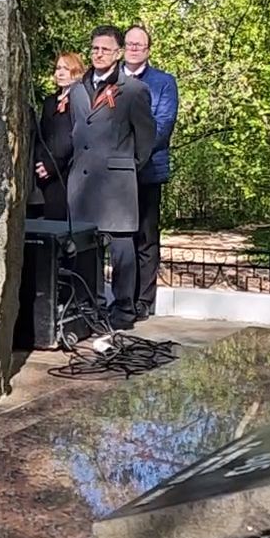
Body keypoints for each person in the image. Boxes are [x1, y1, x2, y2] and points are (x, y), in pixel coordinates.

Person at [67, 26, 155, 330]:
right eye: (94, 49)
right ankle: (88, 307)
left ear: (118, 53)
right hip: (83, 183)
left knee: (121, 249)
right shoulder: (78, 89)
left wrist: (128, 166)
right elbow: (75, 132)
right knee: (85, 249)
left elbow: (146, 139)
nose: (98, 54)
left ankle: (124, 310)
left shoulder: (132, 91)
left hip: (117, 183)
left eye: (105, 49)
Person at [122, 25, 176, 320]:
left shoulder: (163, 83)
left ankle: (143, 300)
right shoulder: (111, 80)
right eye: (129, 43)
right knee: (119, 239)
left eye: (139, 45)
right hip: (114, 176)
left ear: (148, 50)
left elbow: (162, 125)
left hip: (146, 172)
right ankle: (122, 299)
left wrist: (130, 153)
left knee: (145, 238)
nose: (133, 48)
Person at [31, 51, 85, 222]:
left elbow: (74, 136)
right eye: (58, 68)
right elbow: (42, 135)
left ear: (76, 71)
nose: (60, 73)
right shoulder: (50, 102)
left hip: (68, 170)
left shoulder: (81, 100)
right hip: (46, 174)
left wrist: (53, 165)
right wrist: (40, 162)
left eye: (66, 69)